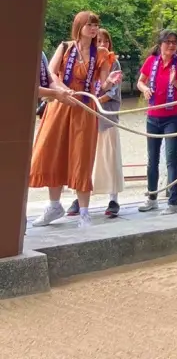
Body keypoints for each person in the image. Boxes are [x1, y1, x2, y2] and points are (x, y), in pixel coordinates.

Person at [29, 12, 117, 229]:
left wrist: (109, 84)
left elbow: (103, 83)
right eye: (89, 24)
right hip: (60, 104)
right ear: (78, 26)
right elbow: (51, 73)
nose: (93, 28)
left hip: (84, 107)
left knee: (81, 156)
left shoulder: (102, 53)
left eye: (96, 25)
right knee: (52, 152)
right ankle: (53, 205)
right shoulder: (66, 46)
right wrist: (61, 90)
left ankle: (85, 212)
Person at [67, 29, 124, 219]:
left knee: (110, 158)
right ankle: (80, 198)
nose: (101, 44)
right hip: (88, 116)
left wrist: (92, 100)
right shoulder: (87, 59)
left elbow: (111, 92)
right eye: (97, 40)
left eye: (105, 41)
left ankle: (113, 199)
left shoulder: (112, 62)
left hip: (106, 118)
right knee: (86, 159)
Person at [136, 29, 177, 215]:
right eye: (167, 41)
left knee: (171, 158)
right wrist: (144, 89)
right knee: (152, 159)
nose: (171, 45)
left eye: (174, 42)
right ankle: (152, 198)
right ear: (160, 44)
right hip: (152, 116)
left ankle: (173, 202)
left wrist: (174, 82)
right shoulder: (152, 61)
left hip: (172, 116)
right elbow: (140, 81)